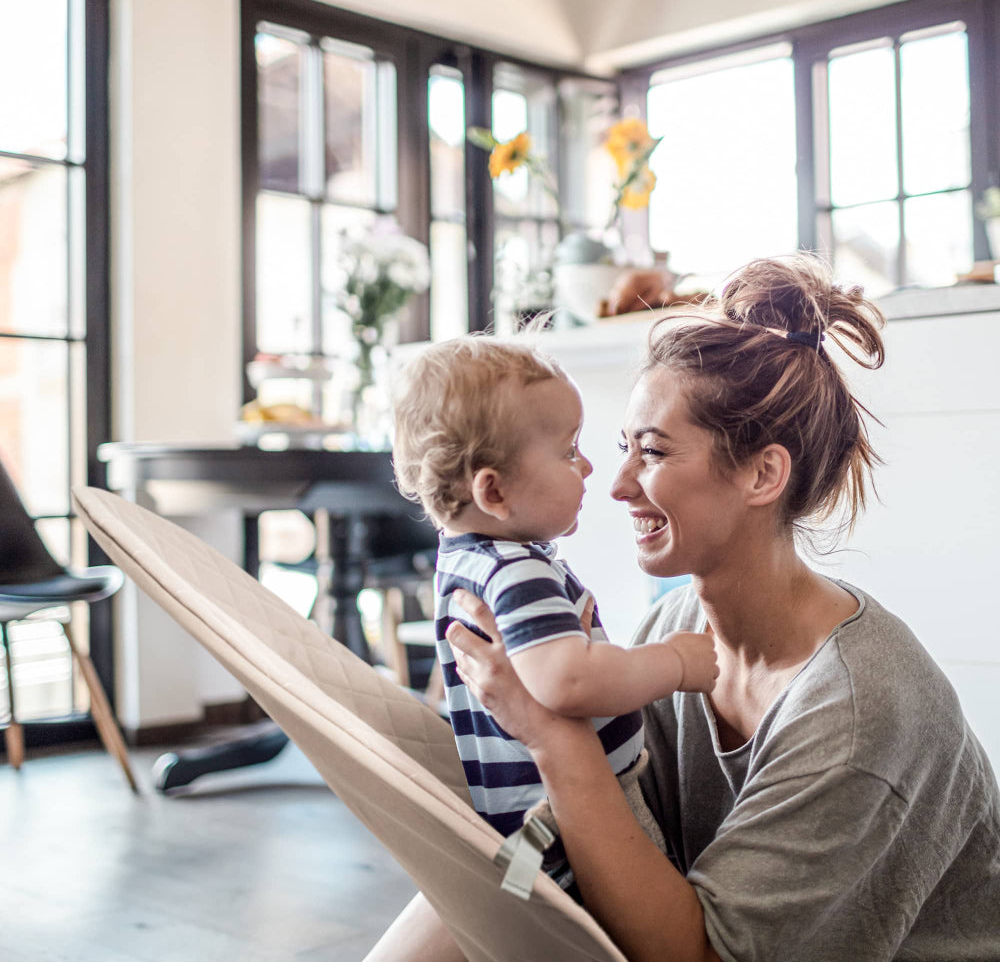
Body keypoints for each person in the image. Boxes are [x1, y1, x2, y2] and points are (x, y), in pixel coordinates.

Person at [369, 255, 1000, 962]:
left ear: (763, 474)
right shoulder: (674, 632)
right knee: (489, 886)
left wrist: (551, 733)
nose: (615, 486)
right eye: (619, 450)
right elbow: (604, 832)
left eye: (653, 453)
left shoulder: (860, 713)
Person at [391, 335, 719, 889]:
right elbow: (568, 680)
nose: (589, 467)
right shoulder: (514, 571)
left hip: (536, 828)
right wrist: (676, 662)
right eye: (569, 451)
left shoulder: (468, 560)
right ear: (493, 492)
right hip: (560, 831)